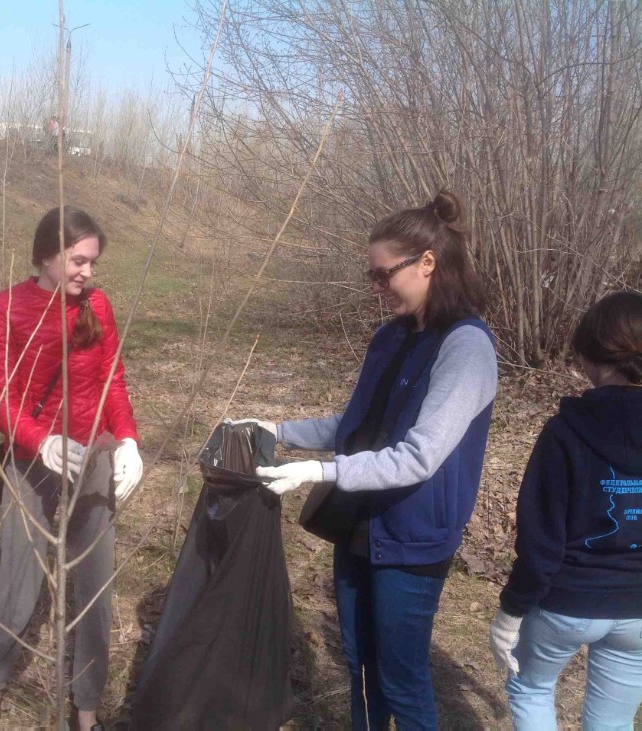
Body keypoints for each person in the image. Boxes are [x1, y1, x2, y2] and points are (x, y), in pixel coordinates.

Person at [239, 190, 497, 729]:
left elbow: (418, 457)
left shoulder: (466, 347)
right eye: (371, 276)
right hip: (359, 525)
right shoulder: (390, 337)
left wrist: (320, 471)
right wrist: (278, 431)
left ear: (428, 263)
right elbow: (356, 424)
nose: (377, 288)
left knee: (401, 679)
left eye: (384, 275)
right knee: (359, 666)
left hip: (412, 537)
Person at [0, 206, 143, 731]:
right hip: (33, 459)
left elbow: (112, 379)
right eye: (78, 260)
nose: (88, 272)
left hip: (94, 457)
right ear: (47, 255)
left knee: (94, 588)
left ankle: (86, 708)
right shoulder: (5, 308)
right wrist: (38, 440)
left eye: (93, 263)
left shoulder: (97, 306)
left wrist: (128, 440)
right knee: (18, 585)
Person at [489, 291, 642, 730]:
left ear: (592, 354)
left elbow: (540, 538)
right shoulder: (564, 430)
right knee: (613, 724)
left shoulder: (565, 431)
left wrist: (511, 610)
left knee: (531, 689)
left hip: (567, 600)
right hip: (638, 607)